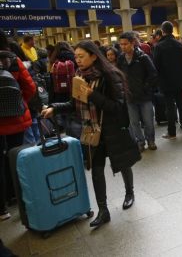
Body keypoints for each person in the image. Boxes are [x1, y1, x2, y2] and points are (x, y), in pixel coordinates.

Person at [41, 40, 141, 228]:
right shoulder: (79, 76)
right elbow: (74, 104)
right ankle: (103, 211)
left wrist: (92, 95)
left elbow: (117, 107)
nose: (77, 60)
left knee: (123, 163)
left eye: (81, 56)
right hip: (91, 130)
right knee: (96, 170)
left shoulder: (111, 76)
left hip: (112, 129)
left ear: (94, 56)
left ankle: (130, 192)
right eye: (76, 56)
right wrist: (54, 108)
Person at [0, 30, 36, 221]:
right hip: (15, 118)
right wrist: (20, 102)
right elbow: (30, 87)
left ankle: (1, 208)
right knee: (16, 157)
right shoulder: (12, 60)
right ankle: (19, 196)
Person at [117, 32, 158, 151]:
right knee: (134, 122)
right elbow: (118, 76)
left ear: (132, 43)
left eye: (125, 44)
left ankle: (151, 140)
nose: (123, 47)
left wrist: (146, 87)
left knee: (148, 121)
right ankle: (140, 141)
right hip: (129, 96)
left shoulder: (143, 57)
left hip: (144, 96)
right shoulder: (121, 59)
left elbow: (153, 74)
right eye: (121, 44)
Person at [153, 21, 182, 139]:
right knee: (181, 104)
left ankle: (172, 132)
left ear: (162, 32)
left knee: (169, 106)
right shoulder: (180, 45)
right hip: (179, 80)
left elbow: (156, 65)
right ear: (172, 30)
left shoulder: (159, 46)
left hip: (166, 81)